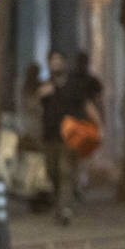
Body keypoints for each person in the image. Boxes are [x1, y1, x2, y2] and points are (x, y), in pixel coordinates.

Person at [38, 49, 101, 225]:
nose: (56, 64)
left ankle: (65, 208)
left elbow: (87, 105)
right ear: (49, 65)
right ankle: (61, 203)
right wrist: (42, 93)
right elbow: (36, 105)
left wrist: (99, 125)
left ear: (64, 64)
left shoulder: (74, 85)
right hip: (49, 136)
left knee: (65, 172)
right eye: (53, 61)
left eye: (59, 61)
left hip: (69, 136)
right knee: (52, 173)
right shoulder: (45, 85)